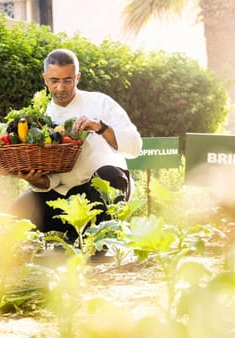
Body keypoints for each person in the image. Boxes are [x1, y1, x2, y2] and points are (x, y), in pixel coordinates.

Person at [10, 49, 142, 241]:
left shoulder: (100, 103)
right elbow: (52, 180)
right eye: (54, 81)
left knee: (109, 176)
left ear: (77, 78)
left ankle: (98, 242)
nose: (61, 88)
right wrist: (37, 181)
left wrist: (100, 128)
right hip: (64, 199)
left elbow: (136, 146)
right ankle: (70, 238)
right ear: (45, 79)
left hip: (106, 191)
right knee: (15, 213)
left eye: (67, 80)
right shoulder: (41, 118)